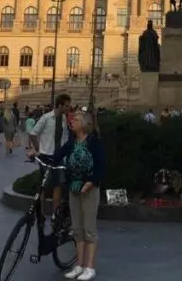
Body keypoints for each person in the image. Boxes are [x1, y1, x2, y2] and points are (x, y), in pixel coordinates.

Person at [56, 111, 106, 281]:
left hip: (89, 189)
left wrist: (90, 182)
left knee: (89, 229)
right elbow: (57, 156)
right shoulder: (71, 141)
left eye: (76, 120)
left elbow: (100, 167)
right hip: (74, 188)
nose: (72, 122)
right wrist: (38, 155)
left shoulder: (94, 142)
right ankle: (79, 265)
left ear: (85, 124)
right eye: (72, 120)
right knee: (77, 229)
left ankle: (90, 267)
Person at [30, 94, 73, 218]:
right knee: (45, 186)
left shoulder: (65, 119)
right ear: (59, 105)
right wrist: (38, 149)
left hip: (59, 157)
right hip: (46, 156)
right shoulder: (46, 118)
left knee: (58, 185)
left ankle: (55, 214)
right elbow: (33, 133)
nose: (68, 108)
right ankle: (42, 213)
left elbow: (65, 136)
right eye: (66, 105)